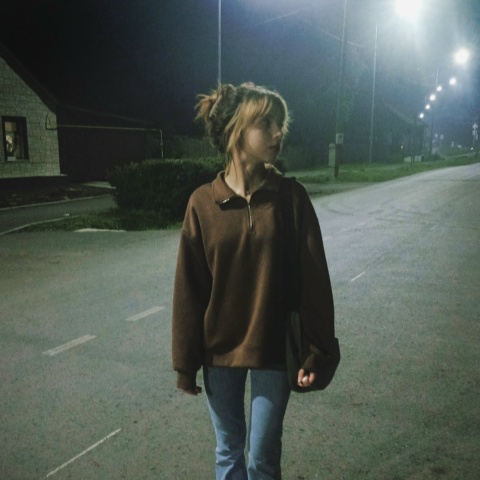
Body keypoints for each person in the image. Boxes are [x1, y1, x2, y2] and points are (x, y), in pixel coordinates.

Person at [172, 82, 335, 480]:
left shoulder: (290, 198)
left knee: (262, 457)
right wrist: (185, 363)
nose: (279, 133)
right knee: (229, 451)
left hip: (274, 348)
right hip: (219, 353)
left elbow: (314, 282)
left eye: (281, 124)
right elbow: (190, 291)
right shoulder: (202, 204)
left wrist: (316, 350)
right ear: (236, 131)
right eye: (266, 124)